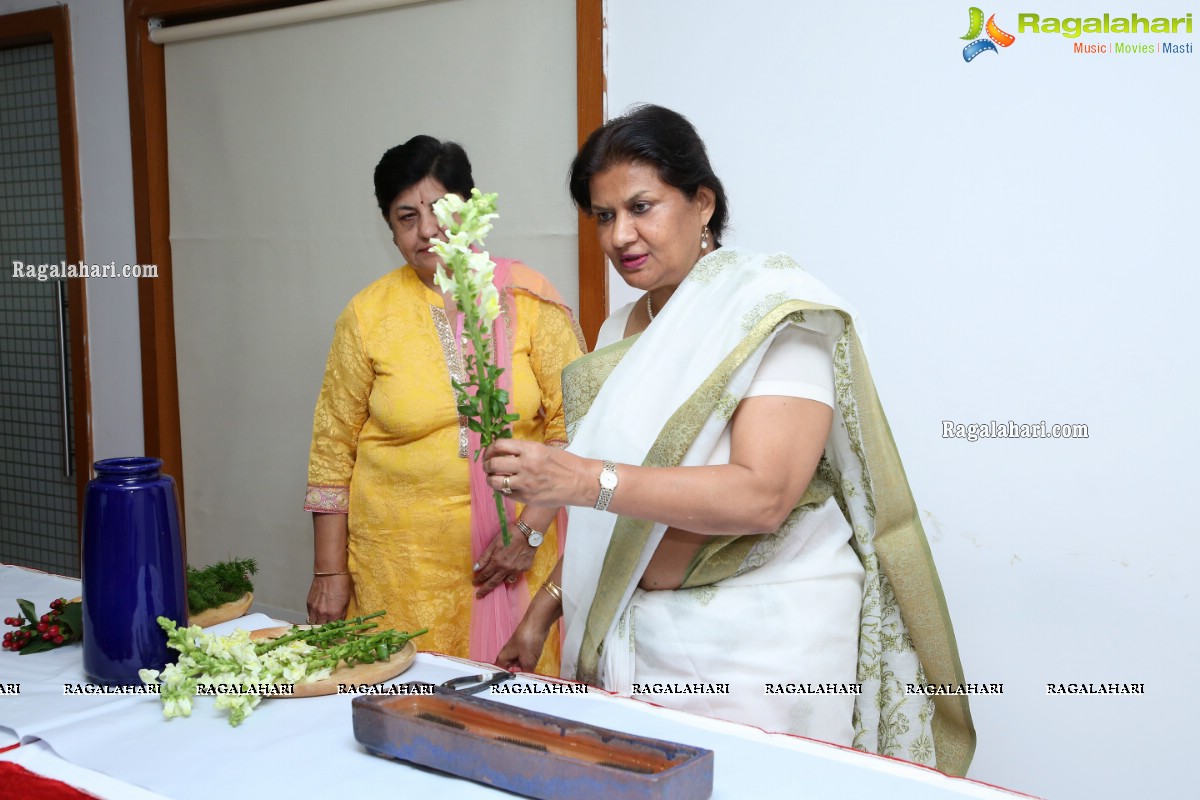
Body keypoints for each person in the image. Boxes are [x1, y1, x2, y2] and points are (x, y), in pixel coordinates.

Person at [485, 105, 975, 775]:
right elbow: (621, 515)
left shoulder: (769, 311)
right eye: (603, 216)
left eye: (642, 206)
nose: (620, 235)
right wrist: (544, 610)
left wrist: (575, 479)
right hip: (638, 642)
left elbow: (763, 494)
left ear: (702, 202)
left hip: (762, 650)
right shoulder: (620, 330)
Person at [304, 136, 585, 672]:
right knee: (403, 716)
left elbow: (578, 426)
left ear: (472, 209)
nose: (427, 230)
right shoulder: (368, 315)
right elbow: (331, 454)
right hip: (400, 572)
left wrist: (529, 532)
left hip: (517, 562)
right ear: (390, 228)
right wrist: (329, 574)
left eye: (441, 209)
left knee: (515, 725)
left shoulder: (527, 299)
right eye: (407, 216)